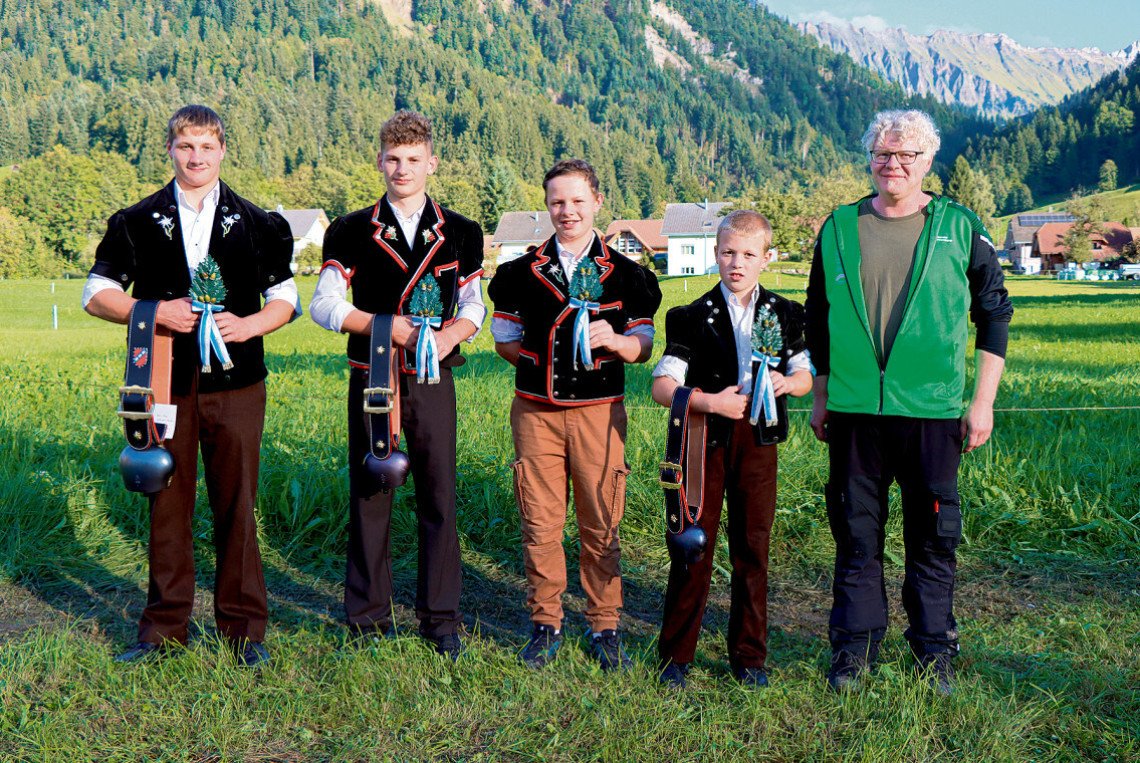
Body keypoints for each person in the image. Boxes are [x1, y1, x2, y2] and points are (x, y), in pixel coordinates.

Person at [805, 109, 1013, 694]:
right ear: (870, 157)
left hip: (933, 412)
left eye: (907, 155)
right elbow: (817, 318)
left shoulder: (958, 224)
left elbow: (994, 314)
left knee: (932, 539)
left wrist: (983, 402)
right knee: (856, 536)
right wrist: (821, 396)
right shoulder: (838, 227)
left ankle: (932, 652)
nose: (892, 163)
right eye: (882, 152)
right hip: (853, 415)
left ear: (927, 162)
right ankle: (854, 651)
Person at [83, 104, 298, 668]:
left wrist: (248, 325)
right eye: (185, 147)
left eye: (206, 146)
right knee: (167, 506)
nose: (196, 157)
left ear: (223, 150)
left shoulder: (261, 223)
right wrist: (153, 312)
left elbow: (287, 300)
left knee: (238, 505)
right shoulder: (134, 220)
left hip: (240, 384)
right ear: (170, 151)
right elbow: (95, 293)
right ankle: (162, 631)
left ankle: (244, 632)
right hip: (162, 386)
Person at [309, 110, 485, 659]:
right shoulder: (349, 230)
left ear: (432, 162)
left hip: (434, 380)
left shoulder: (462, 231)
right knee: (371, 492)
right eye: (392, 159)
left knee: (439, 495)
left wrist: (449, 334)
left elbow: (476, 306)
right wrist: (391, 329)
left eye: (413, 159)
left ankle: (441, 619)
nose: (401, 169)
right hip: (373, 379)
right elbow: (324, 306)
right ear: (379, 162)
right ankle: (365, 619)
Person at [488, 159, 662, 671]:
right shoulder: (518, 273)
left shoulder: (630, 275)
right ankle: (546, 621)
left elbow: (645, 345)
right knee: (540, 521)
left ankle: (604, 624)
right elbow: (504, 339)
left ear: (598, 203)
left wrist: (620, 341)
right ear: (547, 205)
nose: (568, 211)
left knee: (600, 519)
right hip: (535, 413)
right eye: (558, 202)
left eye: (578, 201)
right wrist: (544, 365)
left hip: (599, 414)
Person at [650, 210, 813, 689]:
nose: (736, 263)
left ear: (767, 257)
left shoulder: (786, 313)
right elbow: (663, 387)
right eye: (727, 253)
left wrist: (788, 382)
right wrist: (710, 402)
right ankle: (676, 655)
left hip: (759, 441)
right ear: (715, 254)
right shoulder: (689, 316)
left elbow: (805, 375)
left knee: (752, 547)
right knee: (693, 545)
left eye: (747, 254)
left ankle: (749, 657)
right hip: (705, 443)